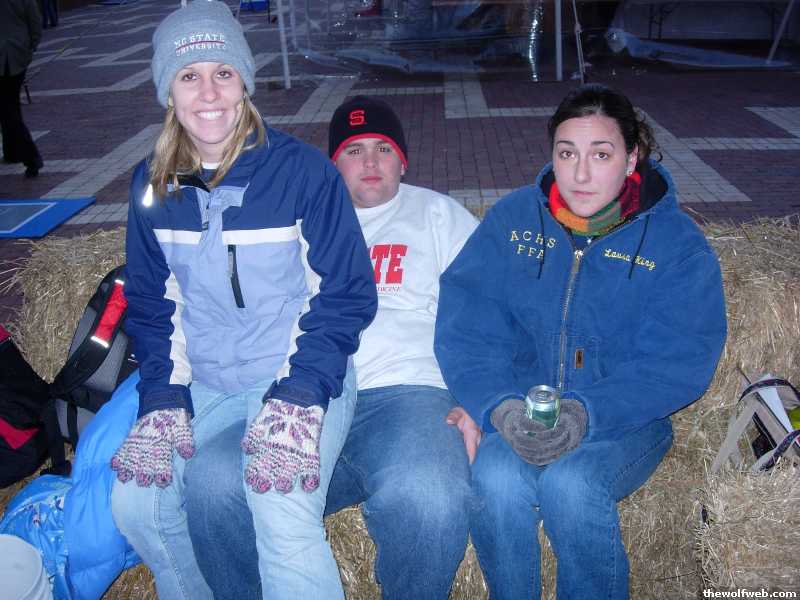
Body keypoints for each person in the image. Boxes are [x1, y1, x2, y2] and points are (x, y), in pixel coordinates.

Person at [108, 3, 377, 600]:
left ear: (245, 83)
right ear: (168, 91)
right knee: (136, 503)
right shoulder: (151, 186)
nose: (208, 93)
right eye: (189, 76)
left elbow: (346, 291)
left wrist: (301, 395)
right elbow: (152, 302)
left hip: (294, 370)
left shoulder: (303, 173)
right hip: (204, 377)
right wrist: (162, 398)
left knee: (279, 504)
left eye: (223, 73)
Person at [434, 84, 727, 600]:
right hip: (525, 413)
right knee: (494, 480)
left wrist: (586, 413)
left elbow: (679, 360)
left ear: (632, 158)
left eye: (601, 154)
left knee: (570, 486)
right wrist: (498, 405)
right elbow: (468, 326)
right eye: (567, 154)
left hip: (624, 421)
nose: (581, 174)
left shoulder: (676, 244)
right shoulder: (514, 221)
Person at [182, 95, 480, 600]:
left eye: (383, 149)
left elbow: (492, 312)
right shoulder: (293, 221)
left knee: (429, 496)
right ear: (332, 165)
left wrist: (479, 400)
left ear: (403, 161)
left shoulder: (439, 216)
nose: (370, 162)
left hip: (407, 396)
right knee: (214, 480)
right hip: (305, 397)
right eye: (353, 151)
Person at [0, 0, 44, 178]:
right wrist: (30, 47)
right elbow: (35, 22)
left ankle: (31, 157)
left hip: (7, 58)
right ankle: (11, 151)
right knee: (10, 106)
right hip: (18, 54)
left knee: (8, 110)